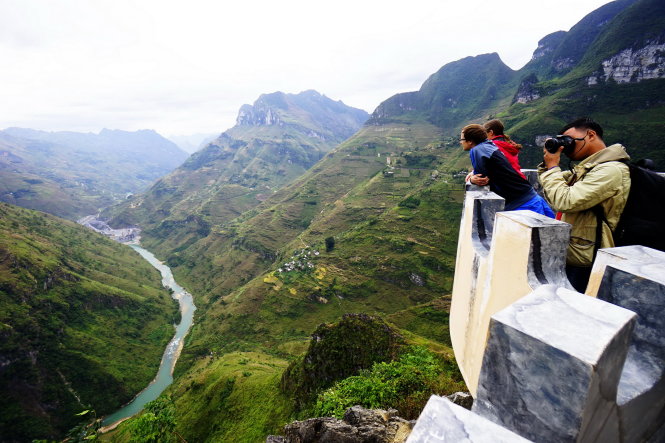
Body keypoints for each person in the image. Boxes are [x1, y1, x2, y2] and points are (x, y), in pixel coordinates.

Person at [537, 117, 631, 292]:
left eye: (569, 140)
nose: (566, 147)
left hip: (588, 259)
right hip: (577, 252)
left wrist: (552, 168)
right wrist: (548, 165)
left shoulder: (610, 170)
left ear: (591, 135)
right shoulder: (589, 169)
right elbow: (554, 189)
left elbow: (565, 200)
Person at [462, 124, 554, 217]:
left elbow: (481, 179)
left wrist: (471, 179)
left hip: (522, 203)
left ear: (470, 141)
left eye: (462, 139)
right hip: (531, 196)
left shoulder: (477, 150)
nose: (460, 142)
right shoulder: (489, 145)